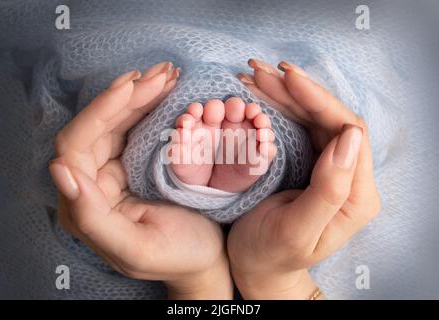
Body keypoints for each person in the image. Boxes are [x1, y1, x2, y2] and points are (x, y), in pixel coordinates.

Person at [48, 59, 380, 299]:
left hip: (138, 144)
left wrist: (198, 284)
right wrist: (274, 281)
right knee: (299, 140)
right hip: (287, 191)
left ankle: (193, 188)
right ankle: (218, 187)